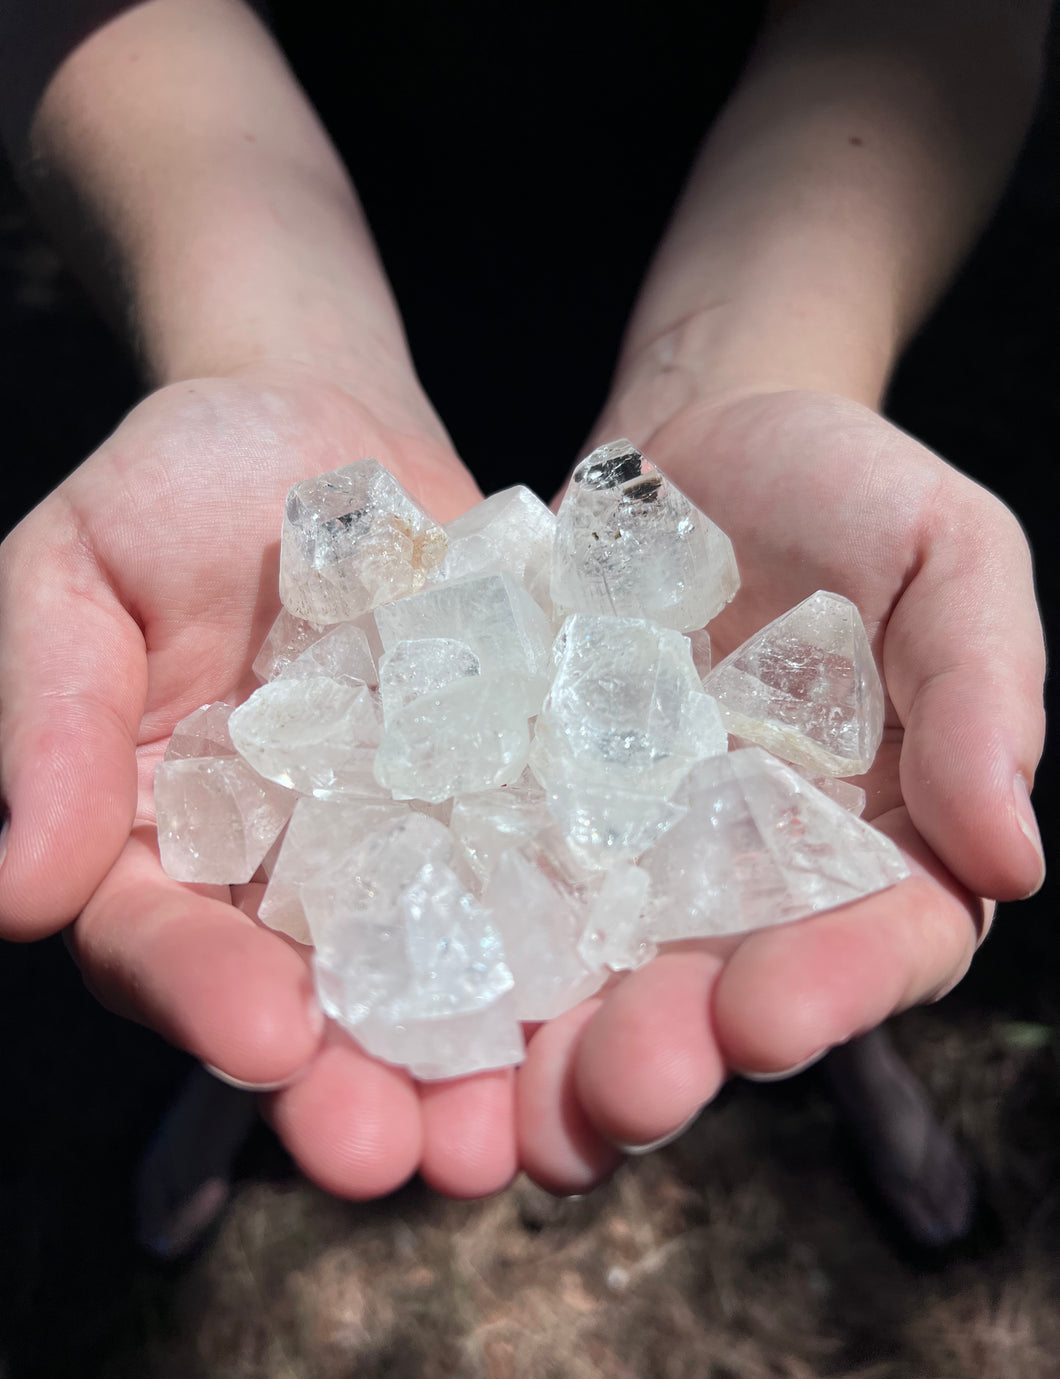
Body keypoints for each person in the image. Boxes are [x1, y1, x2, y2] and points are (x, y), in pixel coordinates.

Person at [0, 0, 1047, 1204]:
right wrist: (260, 352)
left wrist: (769, 367)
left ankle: (833, 1034)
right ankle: (250, 1054)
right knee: (251, 976)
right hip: (311, 228)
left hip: (760, 239)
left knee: (804, 910)